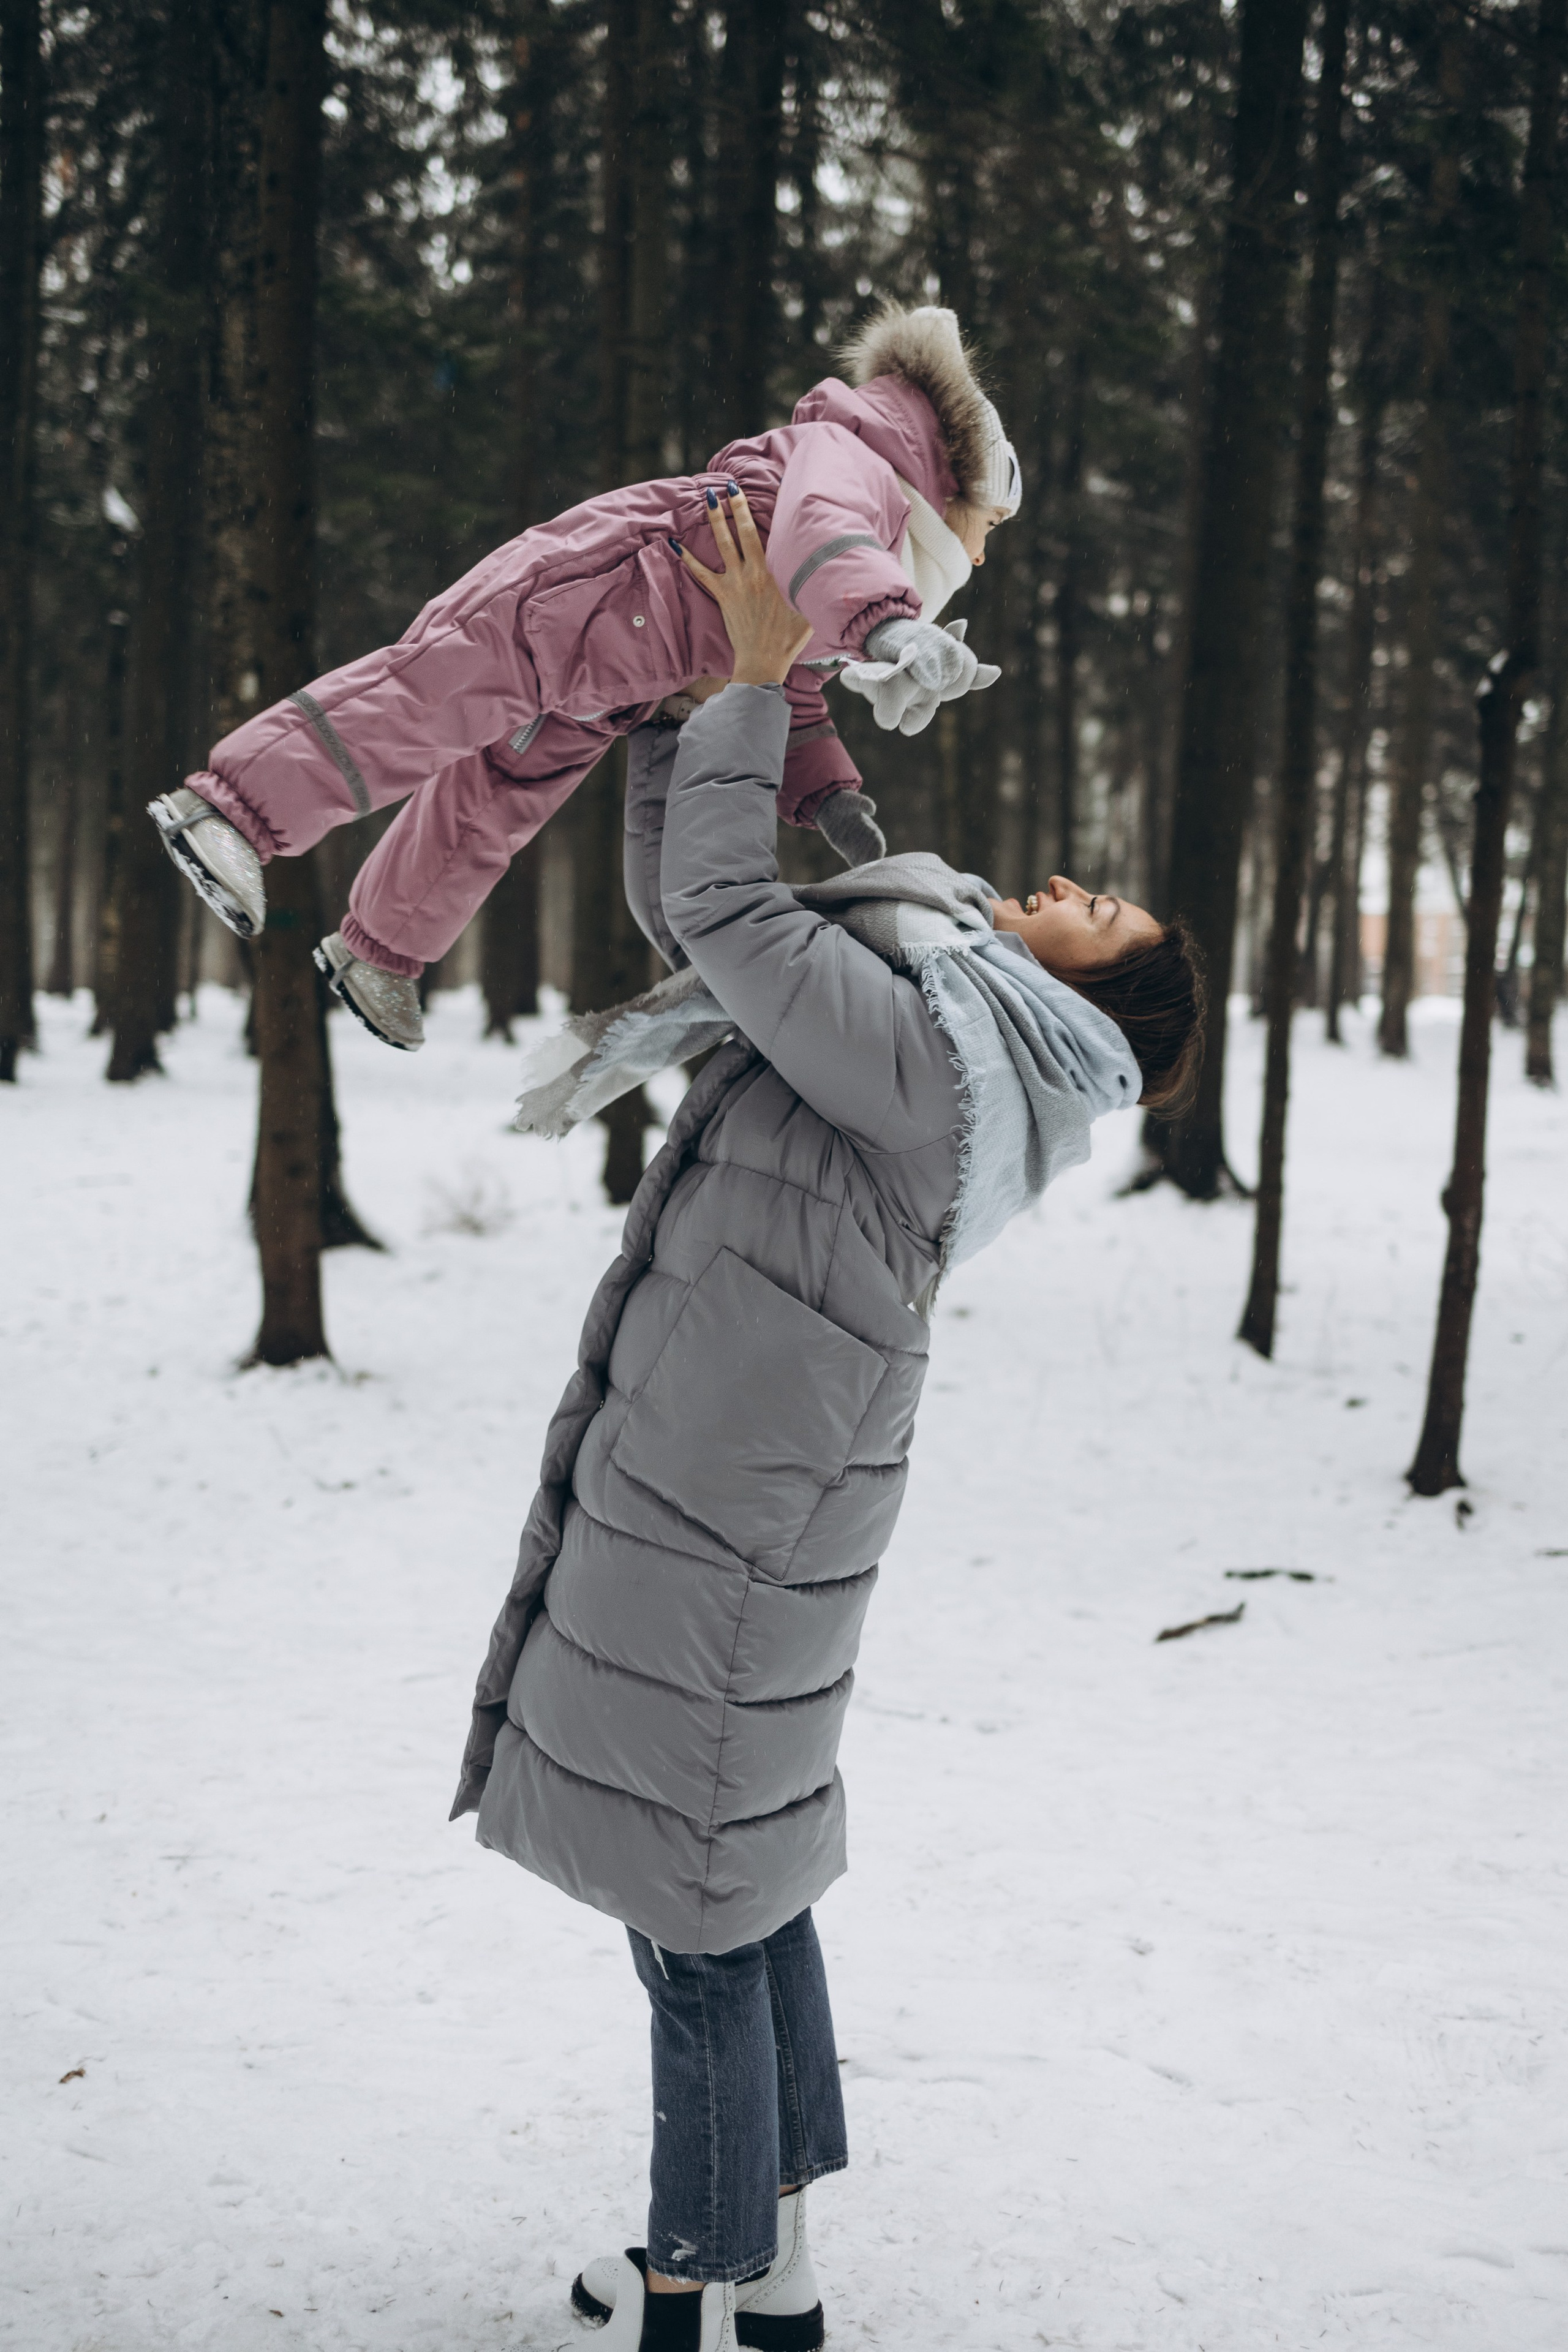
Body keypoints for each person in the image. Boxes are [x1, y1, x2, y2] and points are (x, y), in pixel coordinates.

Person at [452, 491, 1204, 2352]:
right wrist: (685, 697)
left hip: (723, 1518)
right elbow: (699, 916)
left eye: (1092, 911)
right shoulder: (937, 999)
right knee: (739, 1886)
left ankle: (694, 2291)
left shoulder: (948, 1072)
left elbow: (723, 904)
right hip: (720, 1491)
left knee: (697, 1918)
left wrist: (758, 677)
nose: (1061, 883)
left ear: (1084, 990)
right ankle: (772, 2271)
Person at [148, 304, 1020, 1052]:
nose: (983, 552)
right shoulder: (852, 462)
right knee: (423, 702)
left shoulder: (862, 557)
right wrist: (890, 622)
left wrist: (833, 797)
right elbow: (816, 532)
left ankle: (377, 949)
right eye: (989, 525)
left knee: (495, 800)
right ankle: (231, 807)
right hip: (586, 591)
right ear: (955, 484)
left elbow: (788, 678)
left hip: (621, 681)